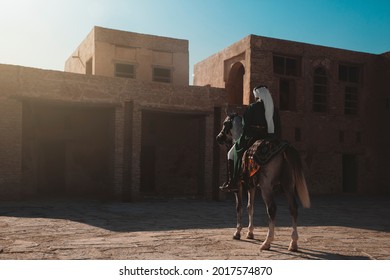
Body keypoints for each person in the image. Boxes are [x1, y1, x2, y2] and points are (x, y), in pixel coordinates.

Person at [220, 85, 275, 192]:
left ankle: (232, 182)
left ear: (257, 95)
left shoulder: (252, 107)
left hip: (252, 136)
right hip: (268, 136)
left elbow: (245, 125)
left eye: (255, 94)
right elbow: (276, 125)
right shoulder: (273, 109)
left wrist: (244, 135)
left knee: (231, 154)